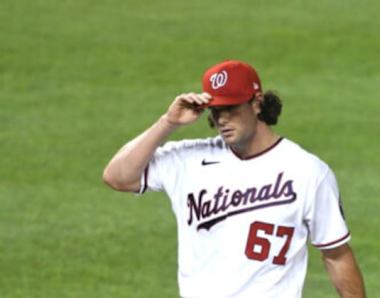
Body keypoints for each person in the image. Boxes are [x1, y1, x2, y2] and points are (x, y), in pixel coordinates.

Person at [102, 60, 366, 298]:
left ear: (257, 102)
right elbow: (117, 177)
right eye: (215, 110)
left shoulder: (307, 172)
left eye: (231, 108)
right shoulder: (187, 160)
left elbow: (337, 255)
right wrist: (168, 122)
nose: (222, 119)